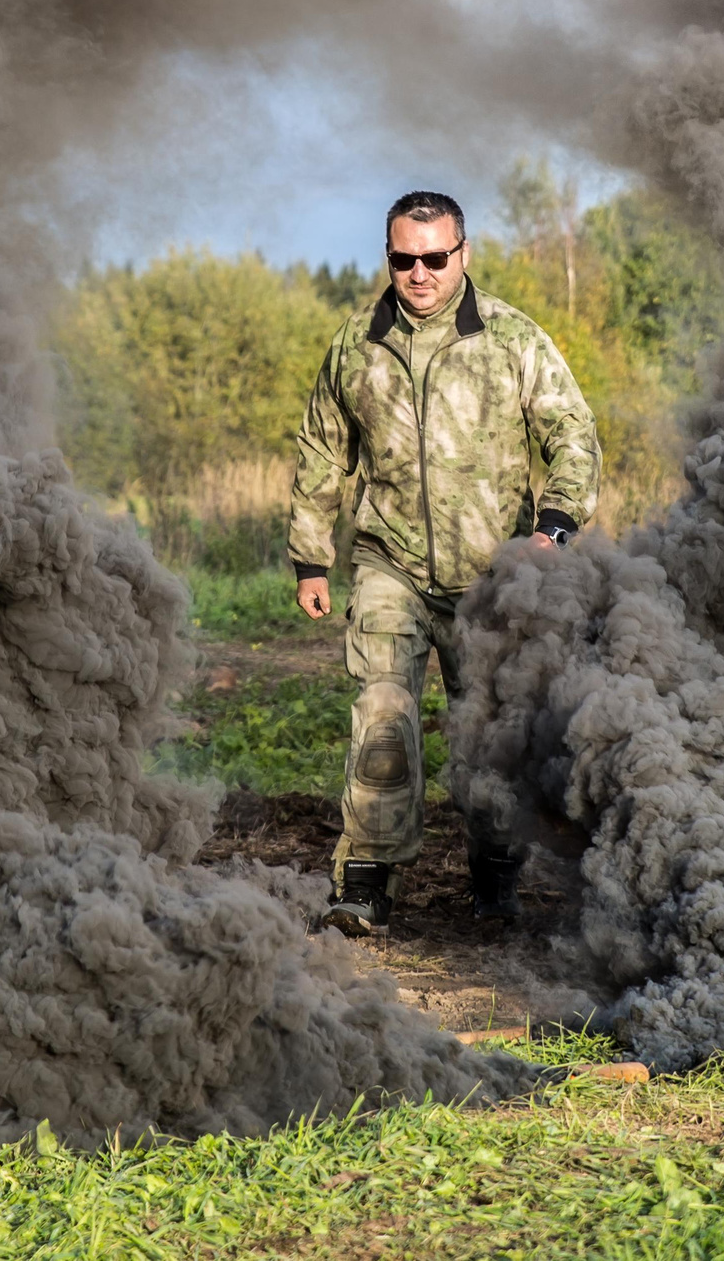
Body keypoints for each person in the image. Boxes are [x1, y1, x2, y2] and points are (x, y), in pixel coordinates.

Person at [288, 190, 602, 936]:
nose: (420, 272)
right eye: (405, 258)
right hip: (388, 563)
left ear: (463, 253)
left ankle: (495, 877)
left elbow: (574, 435)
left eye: (436, 257)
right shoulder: (355, 345)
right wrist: (310, 557)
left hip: (493, 576)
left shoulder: (512, 338)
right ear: (388, 257)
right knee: (383, 716)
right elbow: (321, 452)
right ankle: (365, 879)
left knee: (489, 734)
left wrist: (554, 527)